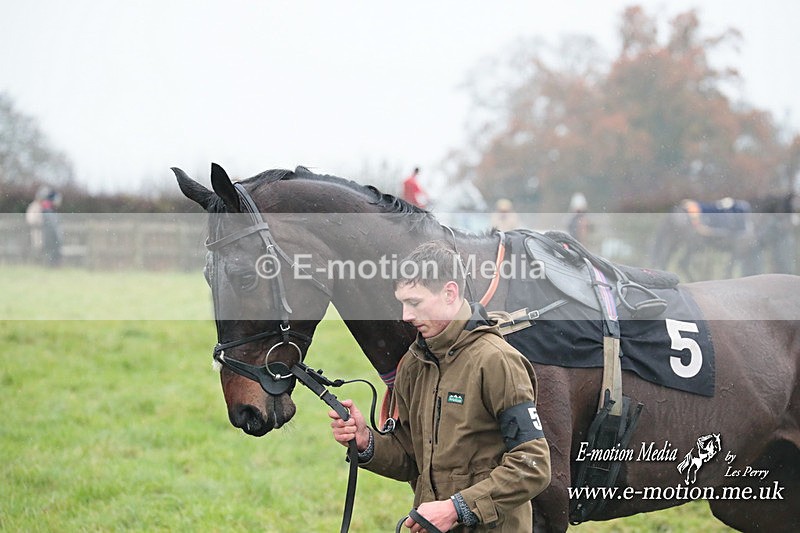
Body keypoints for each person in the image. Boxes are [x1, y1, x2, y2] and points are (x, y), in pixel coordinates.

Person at [329, 241, 551, 532]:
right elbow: (411, 456)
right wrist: (365, 442)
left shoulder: (497, 362)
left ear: (449, 293)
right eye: (402, 302)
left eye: (415, 302)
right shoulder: (412, 365)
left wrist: (456, 509)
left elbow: (532, 465)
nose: (406, 316)